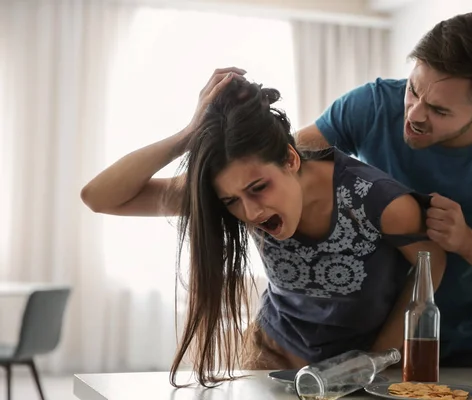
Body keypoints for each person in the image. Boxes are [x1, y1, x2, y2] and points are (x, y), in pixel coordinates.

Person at [80, 69, 447, 386]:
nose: (251, 211)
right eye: (232, 201)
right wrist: (189, 134)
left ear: (290, 159)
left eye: (259, 188)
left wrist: (377, 358)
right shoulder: (231, 192)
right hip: (265, 355)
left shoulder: (379, 201)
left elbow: (433, 263)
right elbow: (100, 197)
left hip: (352, 369)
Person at [295, 12, 472, 367]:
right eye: (412, 89)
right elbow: (283, 167)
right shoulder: (371, 106)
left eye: (439, 110)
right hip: (352, 344)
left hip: (458, 352)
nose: (414, 114)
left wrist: (466, 241)